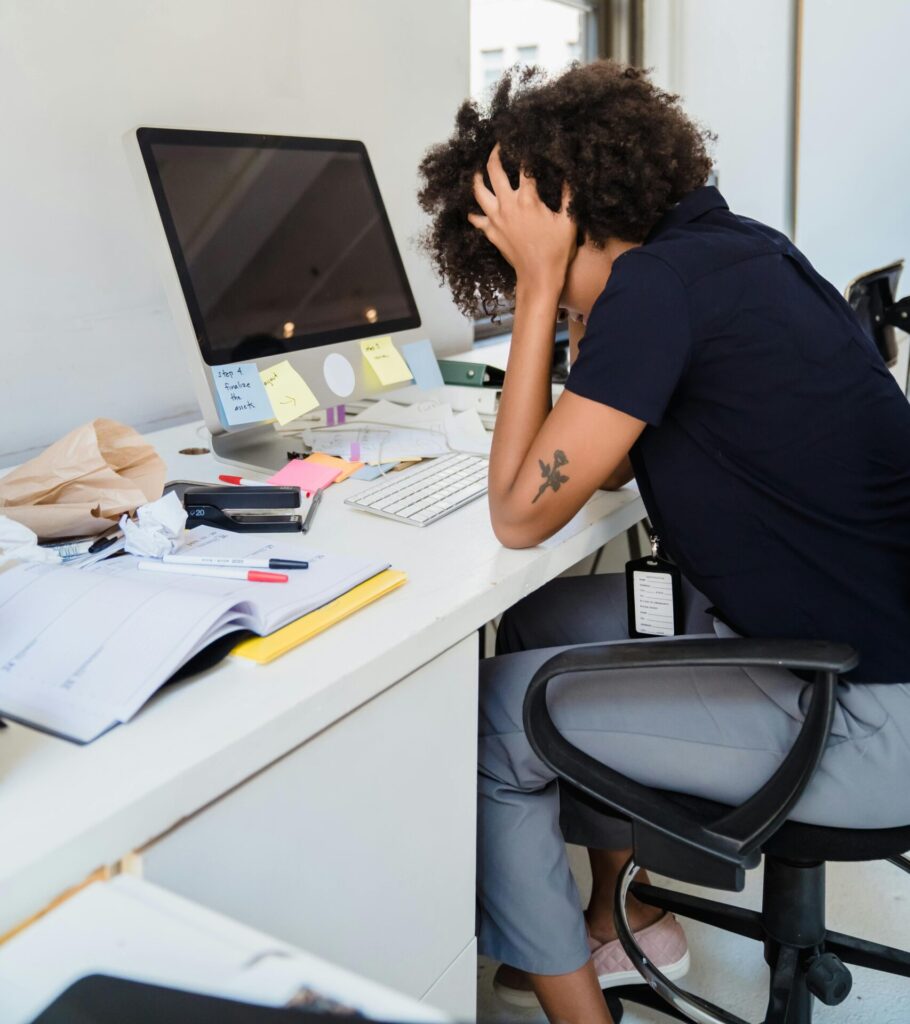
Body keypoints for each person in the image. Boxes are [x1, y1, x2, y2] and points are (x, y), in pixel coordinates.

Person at [417, 60, 910, 1024]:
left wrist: (536, 288)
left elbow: (520, 510)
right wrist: (568, 303)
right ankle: (618, 919)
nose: (561, 312)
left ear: (564, 219)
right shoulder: (730, 250)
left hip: (867, 716)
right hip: (858, 650)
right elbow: (596, 467)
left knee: (490, 719)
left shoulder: (654, 288)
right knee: (537, 621)